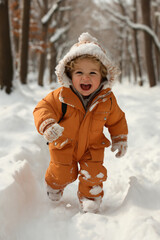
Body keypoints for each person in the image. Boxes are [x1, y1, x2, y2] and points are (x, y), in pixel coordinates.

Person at [33, 32, 128, 213]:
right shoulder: (60, 96)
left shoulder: (107, 99)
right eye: (79, 73)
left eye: (92, 72)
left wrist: (120, 137)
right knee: (61, 173)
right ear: (69, 74)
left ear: (102, 76)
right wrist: (47, 124)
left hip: (92, 147)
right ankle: (54, 185)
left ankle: (90, 197)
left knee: (94, 174)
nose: (86, 78)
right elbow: (42, 108)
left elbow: (117, 119)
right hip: (64, 144)